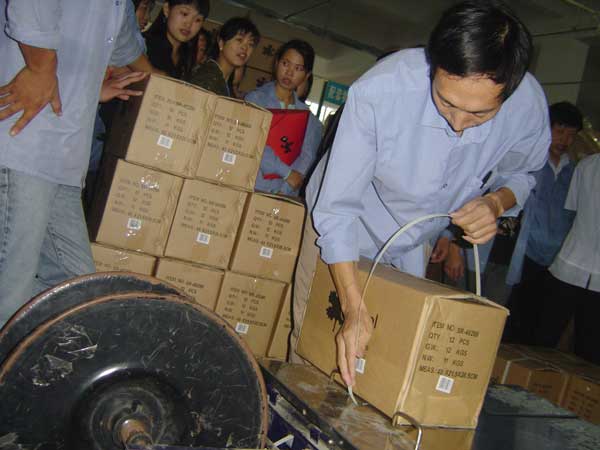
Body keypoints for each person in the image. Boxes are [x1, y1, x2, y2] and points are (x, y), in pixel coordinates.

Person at [292, 1, 551, 388]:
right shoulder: (382, 92)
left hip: (413, 239)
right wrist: (352, 305)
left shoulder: (527, 106)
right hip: (344, 229)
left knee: (391, 361)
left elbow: (523, 172)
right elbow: (337, 209)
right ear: (433, 64)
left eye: (479, 115)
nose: (458, 123)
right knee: (316, 347)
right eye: (446, 102)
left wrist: (496, 202)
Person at [0, 0, 153, 327]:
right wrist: (40, 68)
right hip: (25, 146)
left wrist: (92, 89)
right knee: (11, 294)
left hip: (65, 164)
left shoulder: (120, 5)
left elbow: (127, 52)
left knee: (76, 290)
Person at [504, 102, 583, 343]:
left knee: (536, 322)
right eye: (560, 131)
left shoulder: (574, 172)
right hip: (523, 252)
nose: (565, 140)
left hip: (555, 260)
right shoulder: (532, 163)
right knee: (511, 315)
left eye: (571, 135)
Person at [535, 153, 600, 364]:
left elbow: (572, 207)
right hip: (569, 265)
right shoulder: (586, 165)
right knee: (588, 350)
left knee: (547, 335)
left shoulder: (586, 165)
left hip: (570, 262)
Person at [245, 40, 322, 196]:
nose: (289, 72)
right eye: (286, 64)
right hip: (250, 184)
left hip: (285, 194)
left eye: (298, 68)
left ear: (306, 75)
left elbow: (307, 157)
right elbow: (254, 141)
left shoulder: (309, 119)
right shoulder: (256, 100)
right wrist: (286, 173)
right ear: (276, 63)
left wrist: (284, 190)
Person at [189, 17, 260, 97]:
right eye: (239, 40)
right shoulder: (207, 77)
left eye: (250, 44)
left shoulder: (226, 81)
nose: (245, 47)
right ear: (221, 43)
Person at [144, 0, 209, 79]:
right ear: (167, 9)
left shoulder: (189, 57)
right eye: (184, 14)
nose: (188, 24)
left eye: (198, 20)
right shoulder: (142, 46)